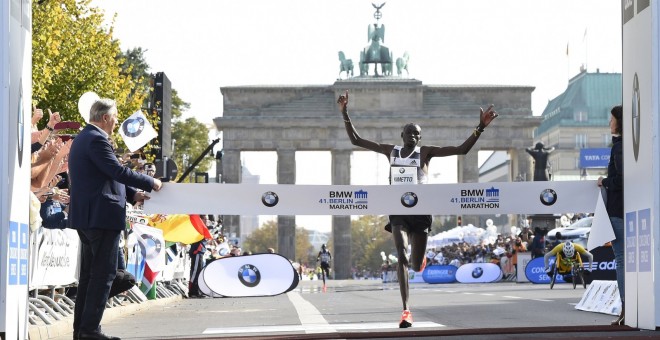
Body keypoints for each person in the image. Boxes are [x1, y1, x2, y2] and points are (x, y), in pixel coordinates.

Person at [337, 90, 498, 328]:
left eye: (417, 133)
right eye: (410, 132)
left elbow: (461, 150)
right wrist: (345, 113)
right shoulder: (389, 151)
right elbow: (356, 141)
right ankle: (406, 310)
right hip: (398, 210)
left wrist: (480, 127)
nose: (413, 135)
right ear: (401, 134)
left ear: (420, 138)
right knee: (401, 255)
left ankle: (419, 261)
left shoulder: (425, 153)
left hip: (421, 213)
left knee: (414, 264)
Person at [68, 98, 162, 340]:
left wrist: (132, 194)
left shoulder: (84, 138)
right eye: (116, 116)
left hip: (89, 216)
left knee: (90, 277)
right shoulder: (97, 139)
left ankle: (82, 330)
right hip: (101, 216)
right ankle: (89, 330)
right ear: (106, 117)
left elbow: (105, 176)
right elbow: (117, 171)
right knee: (104, 275)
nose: (118, 120)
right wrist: (150, 181)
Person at [597, 105, 624, 325]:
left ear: (619, 122)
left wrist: (603, 181)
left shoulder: (618, 148)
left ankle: (626, 309)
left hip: (617, 210)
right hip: (629, 210)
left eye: (611, 119)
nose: (609, 123)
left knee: (622, 260)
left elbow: (621, 180)